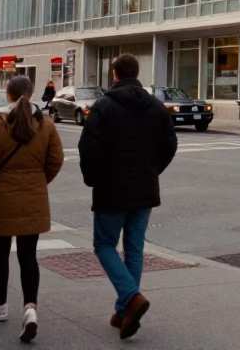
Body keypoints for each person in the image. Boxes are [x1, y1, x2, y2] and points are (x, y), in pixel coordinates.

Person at [79, 54, 177, 340]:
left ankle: (131, 298)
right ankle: (124, 311)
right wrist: (152, 170)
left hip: (111, 189)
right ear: (137, 74)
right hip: (144, 188)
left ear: (115, 75)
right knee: (134, 250)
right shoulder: (156, 107)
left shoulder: (104, 106)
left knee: (104, 244)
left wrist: (93, 178)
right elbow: (170, 144)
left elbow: (88, 148)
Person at [0, 75, 64, 343]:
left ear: (7, 95)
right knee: (28, 256)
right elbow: (56, 159)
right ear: (33, 92)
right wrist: (40, 179)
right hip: (33, 196)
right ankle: (30, 308)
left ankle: (1, 306)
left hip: (1, 196)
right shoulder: (45, 124)